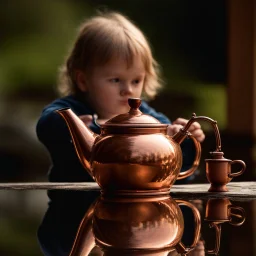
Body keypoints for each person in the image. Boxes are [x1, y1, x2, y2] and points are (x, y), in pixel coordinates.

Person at [36, 11, 205, 183]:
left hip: (140, 205)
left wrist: (182, 141)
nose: (128, 90)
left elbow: (179, 177)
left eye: (136, 80)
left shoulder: (151, 120)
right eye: (116, 80)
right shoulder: (73, 109)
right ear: (83, 80)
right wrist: (79, 127)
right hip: (73, 205)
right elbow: (46, 125)